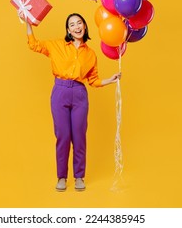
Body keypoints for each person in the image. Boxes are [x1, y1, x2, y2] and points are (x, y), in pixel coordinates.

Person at [21, 12, 121, 192]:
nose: (77, 27)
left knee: (79, 137)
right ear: (68, 29)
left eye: (79, 23)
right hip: (60, 92)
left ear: (84, 26)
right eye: (72, 24)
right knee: (63, 136)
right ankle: (61, 176)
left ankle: (79, 176)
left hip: (80, 94)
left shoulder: (90, 54)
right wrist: (28, 23)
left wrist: (110, 80)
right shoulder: (57, 45)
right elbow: (34, 45)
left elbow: (93, 80)